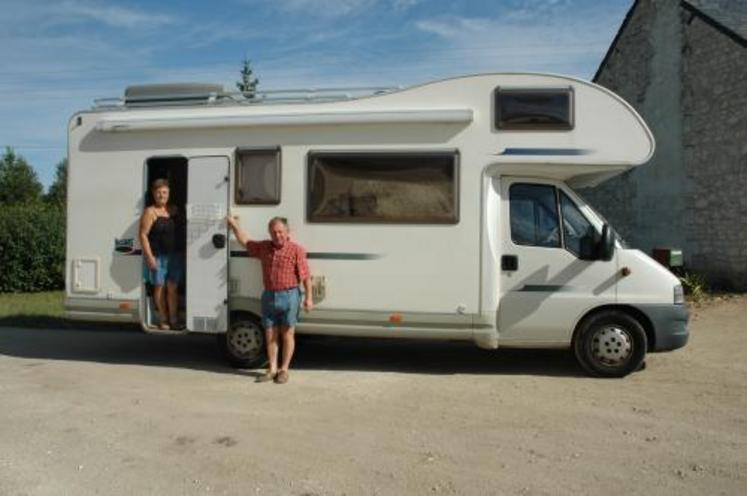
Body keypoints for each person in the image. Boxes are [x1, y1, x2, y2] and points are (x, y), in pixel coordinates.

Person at [227, 214, 313, 384]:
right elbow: (245, 241)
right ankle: (272, 368)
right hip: (269, 295)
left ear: (287, 232)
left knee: (288, 334)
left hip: (290, 295)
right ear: (269, 233)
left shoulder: (297, 250)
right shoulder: (264, 247)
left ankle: (284, 369)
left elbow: (306, 276)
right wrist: (234, 225)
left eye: (280, 232)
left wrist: (309, 298)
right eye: (274, 232)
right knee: (270, 334)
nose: (277, 235)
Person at [139, 179, 183, 330]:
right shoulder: (150, 212)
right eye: (158, 192)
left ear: (169, 193)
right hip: (158, 256)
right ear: (153, 194)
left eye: (164, 192)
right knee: (160, 287)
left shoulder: (174, 210)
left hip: (175, 256)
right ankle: (163, 319)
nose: (161, 195)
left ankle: (174, 319)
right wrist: (149, 257)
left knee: (173, 288)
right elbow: (143, 235)